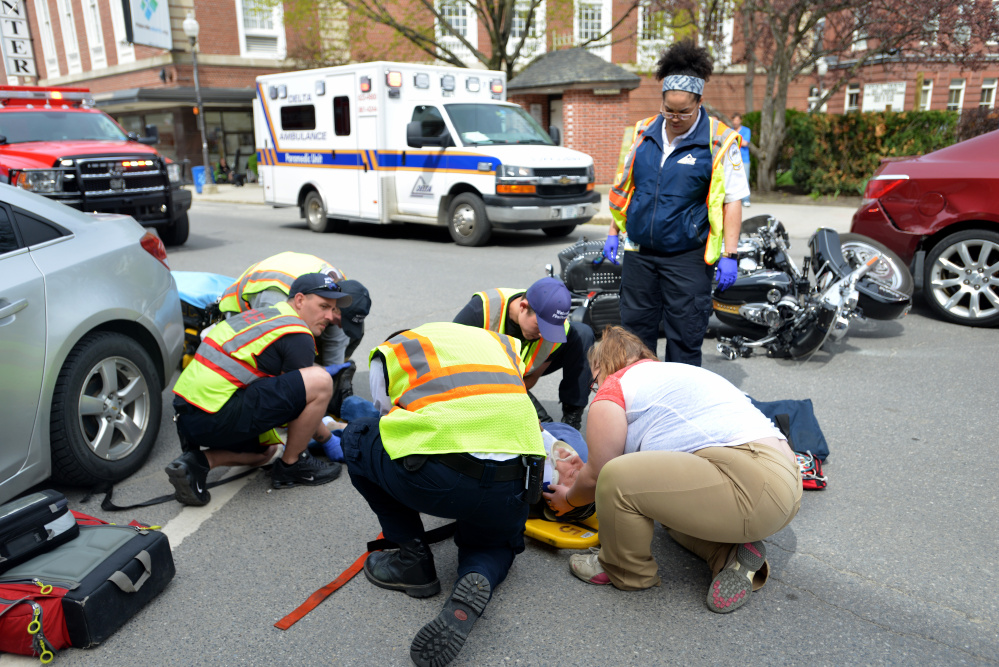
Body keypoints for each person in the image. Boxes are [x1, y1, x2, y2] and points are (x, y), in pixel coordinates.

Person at [544, 326, 802, 614]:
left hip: (751, 483)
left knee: (615, 477)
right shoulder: (672, 376)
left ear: (603, 367)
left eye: (594, 382)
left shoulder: (615, 387)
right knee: (660, 507)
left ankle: (624, 569)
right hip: (786, 486)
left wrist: (567, 499)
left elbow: (599, 474)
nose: (596, 390)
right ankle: (730, 554)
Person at [342, 322, 547, 667]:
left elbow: (386, 418)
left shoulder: (395, 350)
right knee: (493, 544)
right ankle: (476, 576)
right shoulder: (500, 344)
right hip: (515, 480)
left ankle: (412, 561)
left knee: (360, 434)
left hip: (443, 478)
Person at [604, 40, 749, 366]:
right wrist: (613, 231)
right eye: (668, 109)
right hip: (640, 255)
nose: (674, 117)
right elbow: (625, 186)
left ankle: (679, 407)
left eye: (684, 111)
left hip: (688, 259)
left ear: (699, 102)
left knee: (684, 338)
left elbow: (733, 199)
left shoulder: (719, 141)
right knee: (634, 341)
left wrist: (730, 253)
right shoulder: (642, 133)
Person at [165, 273, 349, 505]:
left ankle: (199, 461)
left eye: (333, 310)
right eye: (324, 306)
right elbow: (297, 405)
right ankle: (294, 464)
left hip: (188, 415)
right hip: (216, 413)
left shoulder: (264, 315)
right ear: (300, 300)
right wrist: (327, 439)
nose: (330, 317)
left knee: (267, 450)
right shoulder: (298, 333)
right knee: (321, 381)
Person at [219, 252, 372, 413]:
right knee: (280, 360)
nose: (340, 327)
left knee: (350, 333)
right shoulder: (276, 297)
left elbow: (336, 347)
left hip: (298, 293)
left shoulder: (338, 288)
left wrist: (326, 389)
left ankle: (315, 370)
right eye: (338, 318)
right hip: (241, 308)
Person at [453, 277, 594, 429]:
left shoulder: (554, 327)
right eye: (539, 327)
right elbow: (450, 364)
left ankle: (572, 419)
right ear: (523, 307)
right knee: (542, 425)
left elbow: (531, 378)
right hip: (480, 376)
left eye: (549, 330)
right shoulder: (481, 311)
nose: (543, 335)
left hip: (522, 372)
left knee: (582, 333)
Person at [731, 113, 752, 207]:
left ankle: (746, 199)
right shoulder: (730, 130)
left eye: (737, 120)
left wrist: (734, 138)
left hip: (744, 159)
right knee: (732, 179)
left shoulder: (746, 130)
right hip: (732, 159)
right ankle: (735, 199)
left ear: (740, 121)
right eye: (734, 120)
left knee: (745, 179)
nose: (735, 122)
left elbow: (744, 143)